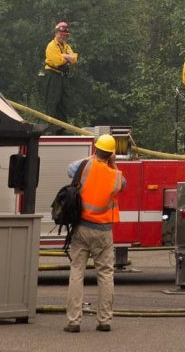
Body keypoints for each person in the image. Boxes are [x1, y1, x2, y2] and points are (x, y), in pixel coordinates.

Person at [64, 134, 126, 333]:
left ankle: (74, 321)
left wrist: (94, 157)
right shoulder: (115, 175)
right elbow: (123, 184)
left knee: (77, 272)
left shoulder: (84, 166)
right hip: (103, 231)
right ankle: (104, 320)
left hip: (81, 227)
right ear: (111, 154)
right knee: (106, 274)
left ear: (95, 149)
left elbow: (70, 169)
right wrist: (112, 163)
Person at [43, 20, 78, 131]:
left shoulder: (66, 46)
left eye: (65, 35)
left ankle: (62, 129)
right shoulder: (51, 46)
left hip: (63, 76)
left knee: (64, 102)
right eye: (61, 34)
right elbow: (58, 61)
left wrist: (64, 56)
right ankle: (52, 129)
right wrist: (67, 57)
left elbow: (74, 58)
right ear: (56, 33)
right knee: (53, 102)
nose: (63, 36)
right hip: (52, 76)